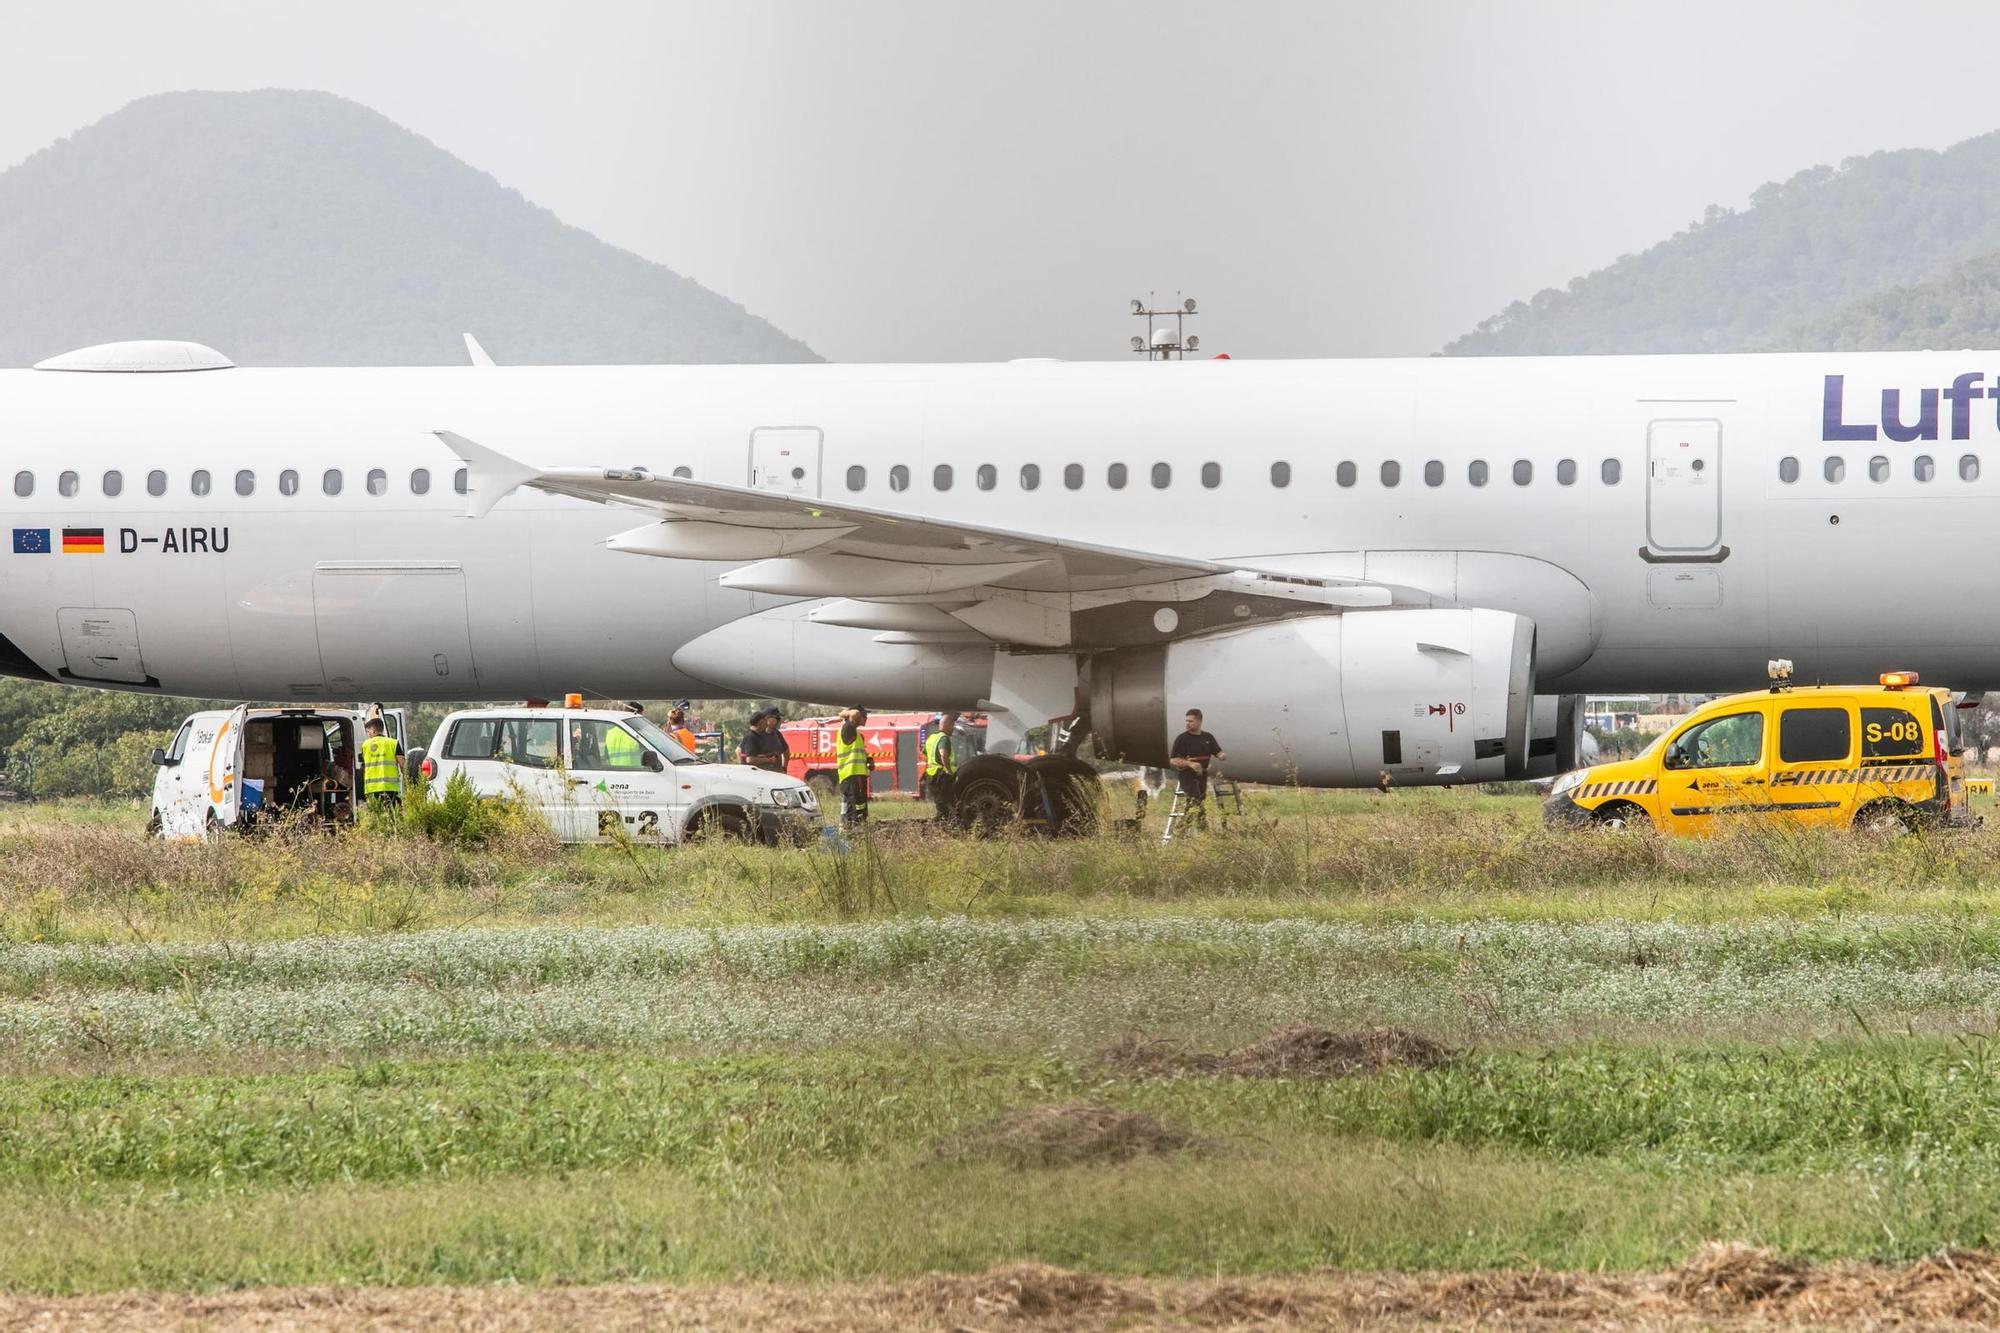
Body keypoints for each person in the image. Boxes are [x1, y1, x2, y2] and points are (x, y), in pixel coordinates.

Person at [1167, 708, 1225, 830]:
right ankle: (1203, 829)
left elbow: (1217, 751)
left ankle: (1182, 831)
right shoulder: (1182, 739)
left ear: (1199, 721)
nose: (1187, 724)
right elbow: (1173, 760)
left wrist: (1221, 755)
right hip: (1187, 775)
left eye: (1191, 721)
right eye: (1186, 721)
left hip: (1202, 774)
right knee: (1196, 799)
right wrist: (1189, 763)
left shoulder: (1208, 737)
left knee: (1198, 801)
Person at [835, 706, 874, 826]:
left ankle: (855, 826)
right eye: (864, 715)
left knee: (857, 805)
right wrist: (844, 714)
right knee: (854, 807)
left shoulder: (856, 733)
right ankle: (852, 828)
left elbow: (857, 753)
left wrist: (868, 760)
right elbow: (854, 713)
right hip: (851, 774)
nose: (866, 718)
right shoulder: (848, 728)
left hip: (856, 775)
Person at [359, 715, 403, 813]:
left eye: (368, 731)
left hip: (371, 788)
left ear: (373, 730)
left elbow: (363, 767)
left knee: (376, 815)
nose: (368, 734)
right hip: (390, 788)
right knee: (392, 815)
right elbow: (403, 764)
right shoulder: (393, 743)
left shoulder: (365, 745)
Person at [924, 711, 960, 821]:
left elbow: (925, 752)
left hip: (932, 776)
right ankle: (940, 826)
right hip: (942, 777)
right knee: (948, 806)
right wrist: (949, 770)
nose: (953, 728)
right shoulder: (944, 738)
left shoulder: (931, 738)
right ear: (947, 725)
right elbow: (943, 754)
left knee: (942, 805)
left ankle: (947, 825)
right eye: (952, 725)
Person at [737, 708, 791, 773]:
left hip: (776, 773)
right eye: (777, 718)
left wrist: (784, 768)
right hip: (761, 774)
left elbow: (786, 752)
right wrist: (745, 770)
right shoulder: (755, 735)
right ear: (767, 718)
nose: (779, 720)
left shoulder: (777, 734)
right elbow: (739, 752)